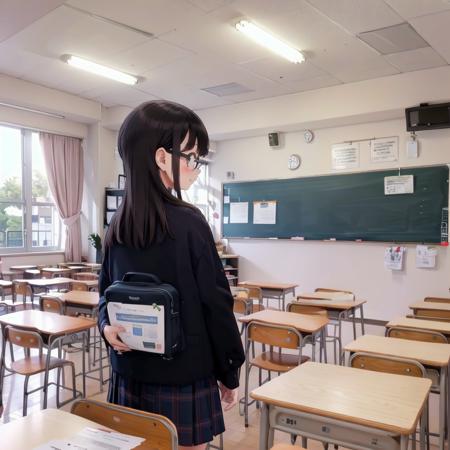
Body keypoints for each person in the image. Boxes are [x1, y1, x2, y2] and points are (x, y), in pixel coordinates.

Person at [98, 100, 245, 449]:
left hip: (128, 372)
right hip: (183, 375)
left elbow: (104, 294)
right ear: (162, 158)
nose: (196, 167)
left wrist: (105, 326)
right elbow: (216, 304)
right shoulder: (190, 222)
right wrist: (229, 371)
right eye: (192, 157)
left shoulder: (116, 226)